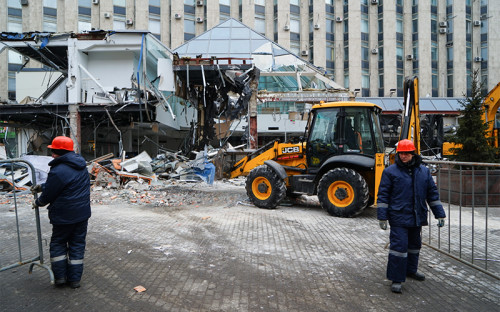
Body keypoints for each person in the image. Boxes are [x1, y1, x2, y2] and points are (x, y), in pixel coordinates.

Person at [376, 139, 445, 294]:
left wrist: (439, 214)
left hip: (417, 215)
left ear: (413, 153)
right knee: (398, 248)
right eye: (401, 153)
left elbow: (432, 194)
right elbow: (383, 195)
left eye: (406, 153)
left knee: (414, 246)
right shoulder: (390, 172)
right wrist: (382, 217)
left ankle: (411, 271)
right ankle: (396, 279)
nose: (403, 156)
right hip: (398, 216)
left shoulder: (424, 172)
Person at [32, 136, 91, 289]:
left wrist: (39, 202)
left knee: (58, 244)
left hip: (64, 216)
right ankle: (75, 280)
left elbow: (52, 191)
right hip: (82, 214)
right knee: (77, 245)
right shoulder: (81, 166)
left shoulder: (58, 170)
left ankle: (60, 279)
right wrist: (42, 186)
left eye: (53, 151)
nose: (51, 154)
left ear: (59, 152)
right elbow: (66, 183)